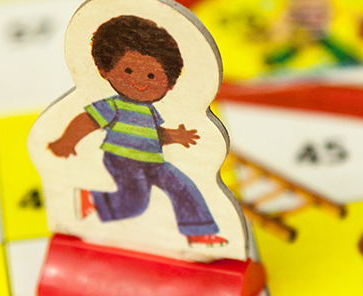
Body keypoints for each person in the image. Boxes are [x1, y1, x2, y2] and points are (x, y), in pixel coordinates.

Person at [46, 15, 227, 247]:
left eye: (152, 76)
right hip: (124, 159)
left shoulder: (150, 112)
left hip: (153, 161)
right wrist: (66, 141)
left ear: (169, 85)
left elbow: (153, 135)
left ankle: (199, 231)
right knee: (135, 203)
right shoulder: (115, 105)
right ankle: (92, 199)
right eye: (129, 70)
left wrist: (175, 136)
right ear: (106, 70)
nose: (140, 81)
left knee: (182, 184)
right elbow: (88, 120)